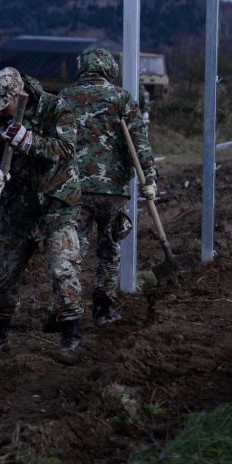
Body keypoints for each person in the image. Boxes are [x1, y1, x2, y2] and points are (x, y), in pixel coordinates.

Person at [0, 67, 84, 363]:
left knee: (63, 269)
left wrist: (30, 141)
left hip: (55, 206)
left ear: (18, 95)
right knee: (2, 274)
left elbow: (66, 149)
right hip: (17, 210)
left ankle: (71, 338)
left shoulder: (56, 107)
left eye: (4, 107)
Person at [58, 49, 157, 327]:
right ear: (109, 68)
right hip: (112, 191)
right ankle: (103, 309)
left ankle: (68, 309)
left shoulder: (65, 97)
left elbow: (53, 143)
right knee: (110, 250)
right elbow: (140, 143)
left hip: (73, 189)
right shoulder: (122, 98)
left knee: (72, 252)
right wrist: (149, 178)